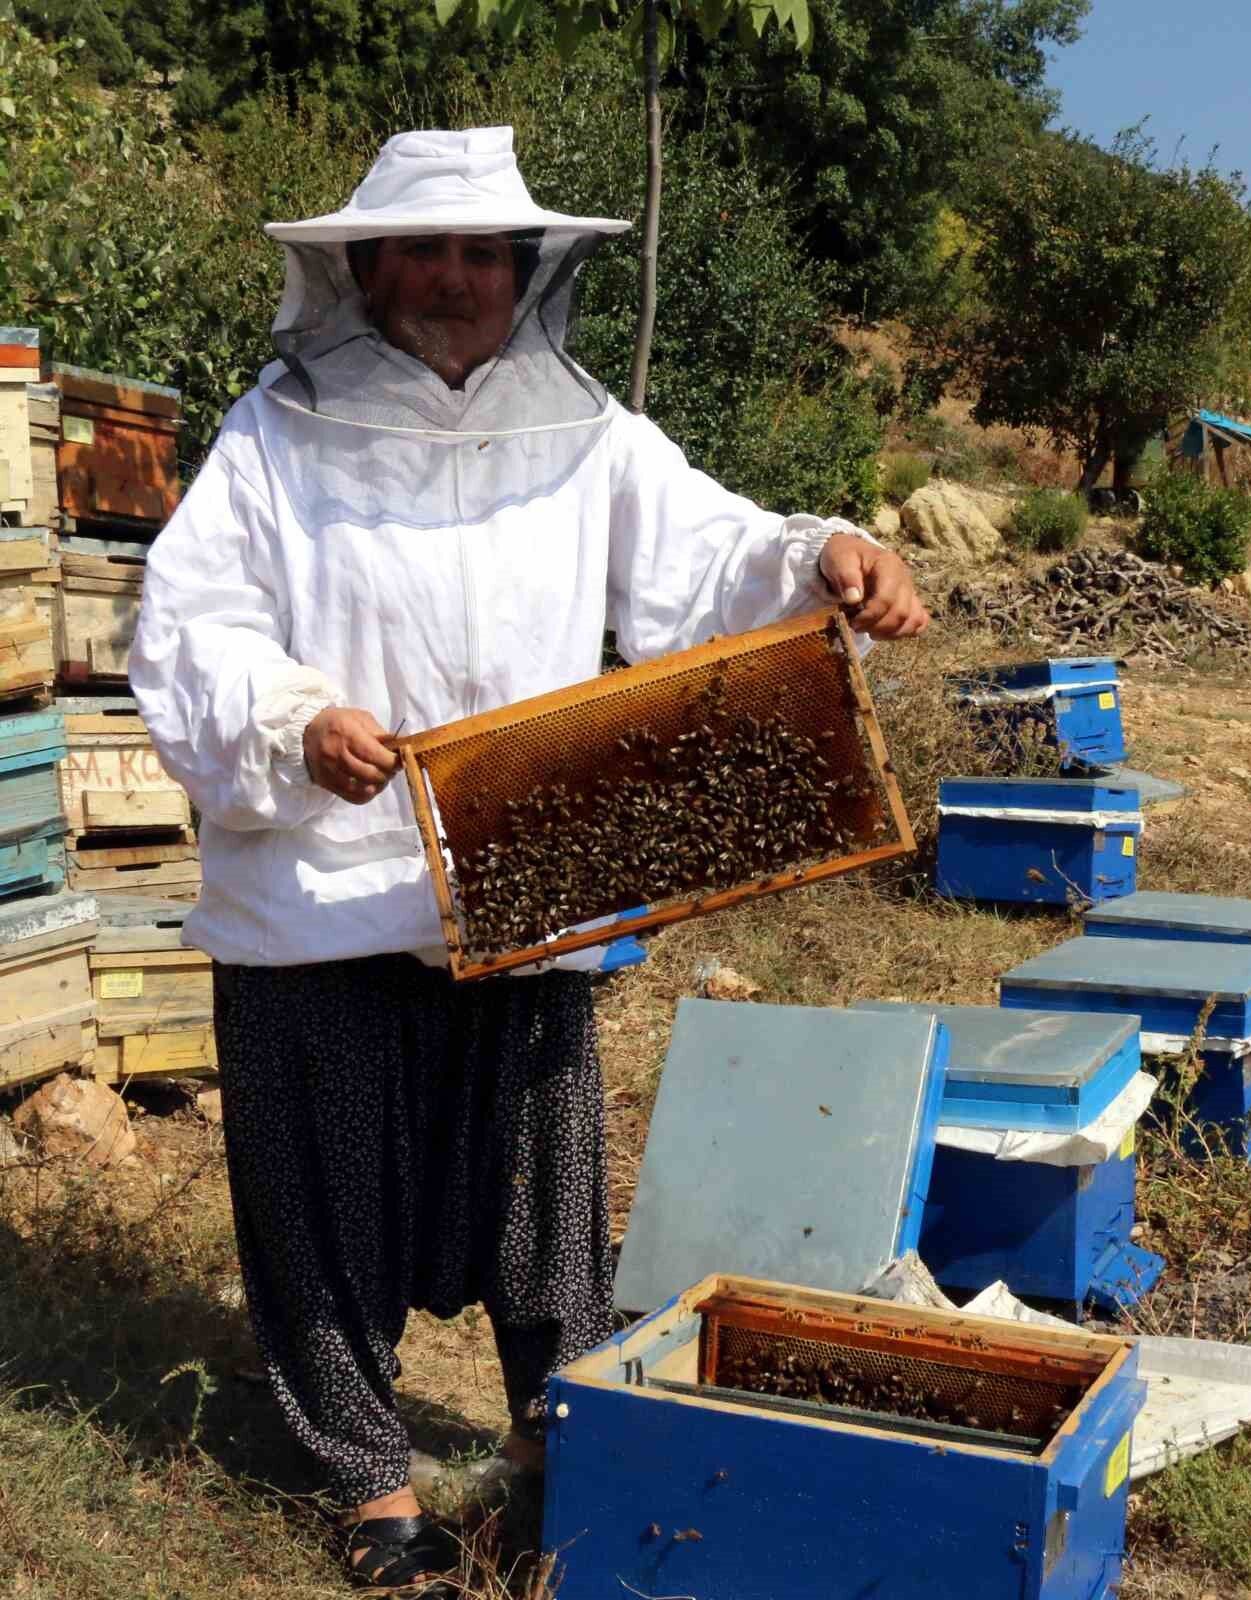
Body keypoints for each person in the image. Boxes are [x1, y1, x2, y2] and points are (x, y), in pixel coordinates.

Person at [130, 126, 927, 1597]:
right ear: (363, 268)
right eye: (423, 251)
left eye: (482, 253)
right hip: (328, 894)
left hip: (532, 883)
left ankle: (562, 1448)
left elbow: (710, 560)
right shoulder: (275, 436)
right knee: (325, 1208)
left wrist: (822, 553)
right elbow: (189, 630)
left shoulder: (589, 436)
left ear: (526, 272)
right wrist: (295, 720)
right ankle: (371, 1491)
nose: (453, 279)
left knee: (544, 1204)